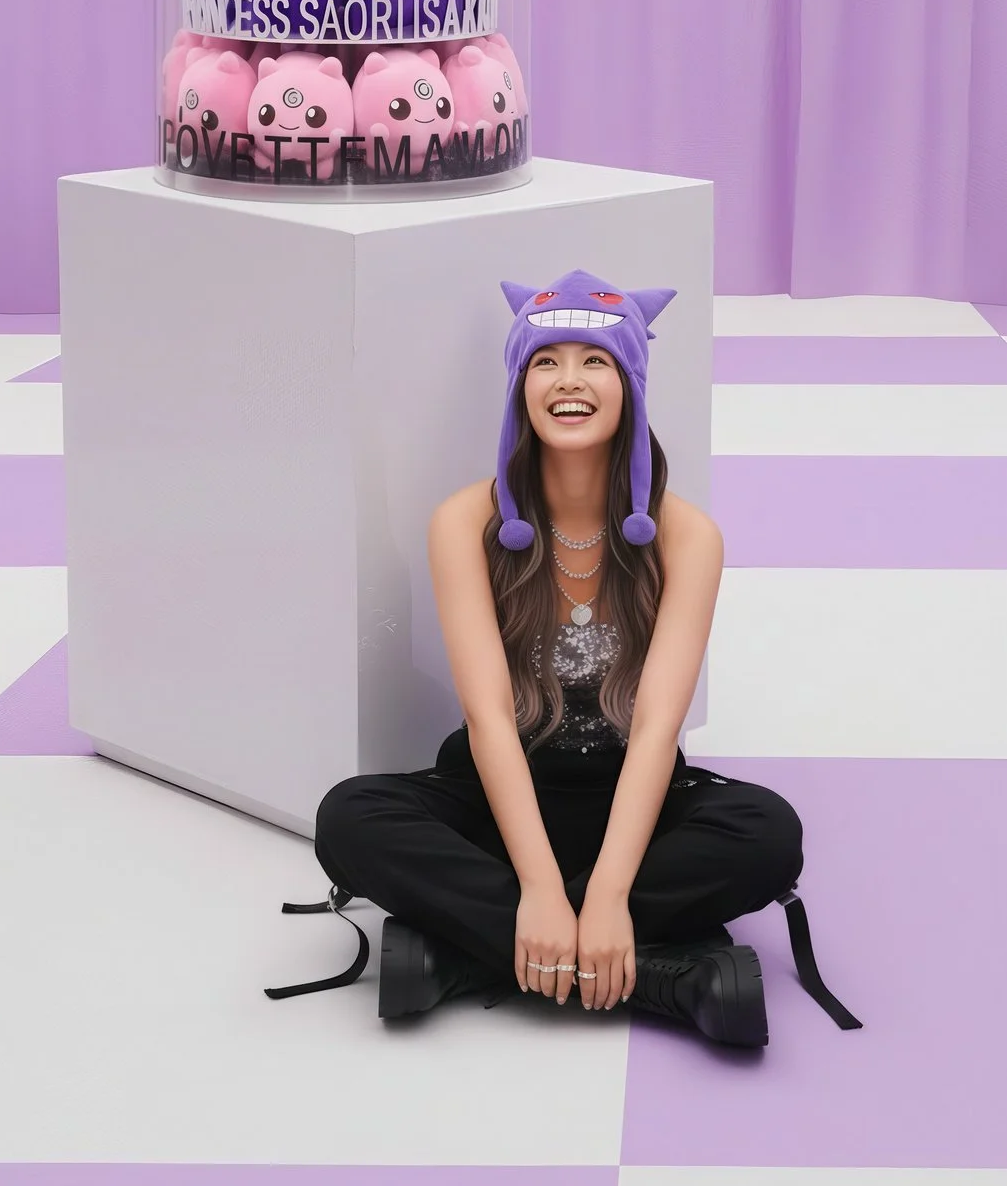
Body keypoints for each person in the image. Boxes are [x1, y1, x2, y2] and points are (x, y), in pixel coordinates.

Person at [265, 269, 861, 1048]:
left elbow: (654, 729)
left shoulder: (687, 536)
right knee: (350, 817)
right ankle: (657, 976)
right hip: (498, 790)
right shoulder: (463, 522)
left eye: (595, 361)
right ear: (518, 386)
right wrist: (542, 889)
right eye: (545, 362)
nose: (568, 381)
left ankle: (466, 956)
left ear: (630, 386)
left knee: (766, 831)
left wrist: (609, 892)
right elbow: (486, 718)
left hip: (632, 799)